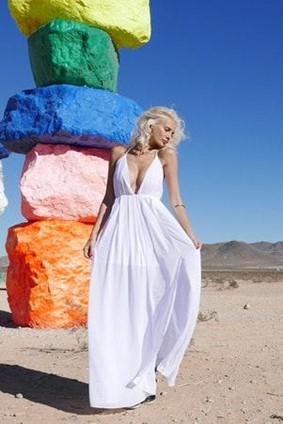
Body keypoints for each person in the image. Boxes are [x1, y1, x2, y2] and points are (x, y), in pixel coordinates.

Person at [83, 106, 202, 409]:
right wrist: (94, 235)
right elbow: (108, 199)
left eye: (174, 133)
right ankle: (112, 385)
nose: (170, 137)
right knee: (114, 311)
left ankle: (144, 381)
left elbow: (176, 202)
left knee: (145, 310)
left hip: (152, 241)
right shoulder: (118, 154)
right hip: (117, 240)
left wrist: (190, 236)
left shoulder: (167, 158)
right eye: (167, 130)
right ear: (150, 126)